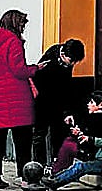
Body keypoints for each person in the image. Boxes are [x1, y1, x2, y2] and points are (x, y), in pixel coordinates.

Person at [0, 9, 48, 189]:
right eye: (22, 24)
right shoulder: (13, 41)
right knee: (22, 138)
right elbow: (19, 70)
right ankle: (25, 176)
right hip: (15, 96)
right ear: (16, 24)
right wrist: (36, 68)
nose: (23, 28)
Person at [31, 38, 85, 167]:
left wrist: (67, 112)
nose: (72, 64)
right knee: (39, 134)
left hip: (59, 102)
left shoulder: (68, 60)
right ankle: (39, 165)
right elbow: (39, 80)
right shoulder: (50, 58)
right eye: (71, 61)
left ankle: (58, 163)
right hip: (43, 101)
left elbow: (67, 88)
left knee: (59, 133)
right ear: (63, 54)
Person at [46, 109, 102, 191]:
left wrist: (91, 139)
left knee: (81, 167)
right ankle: (54, 179)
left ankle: (55, 182)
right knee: (78, 165)